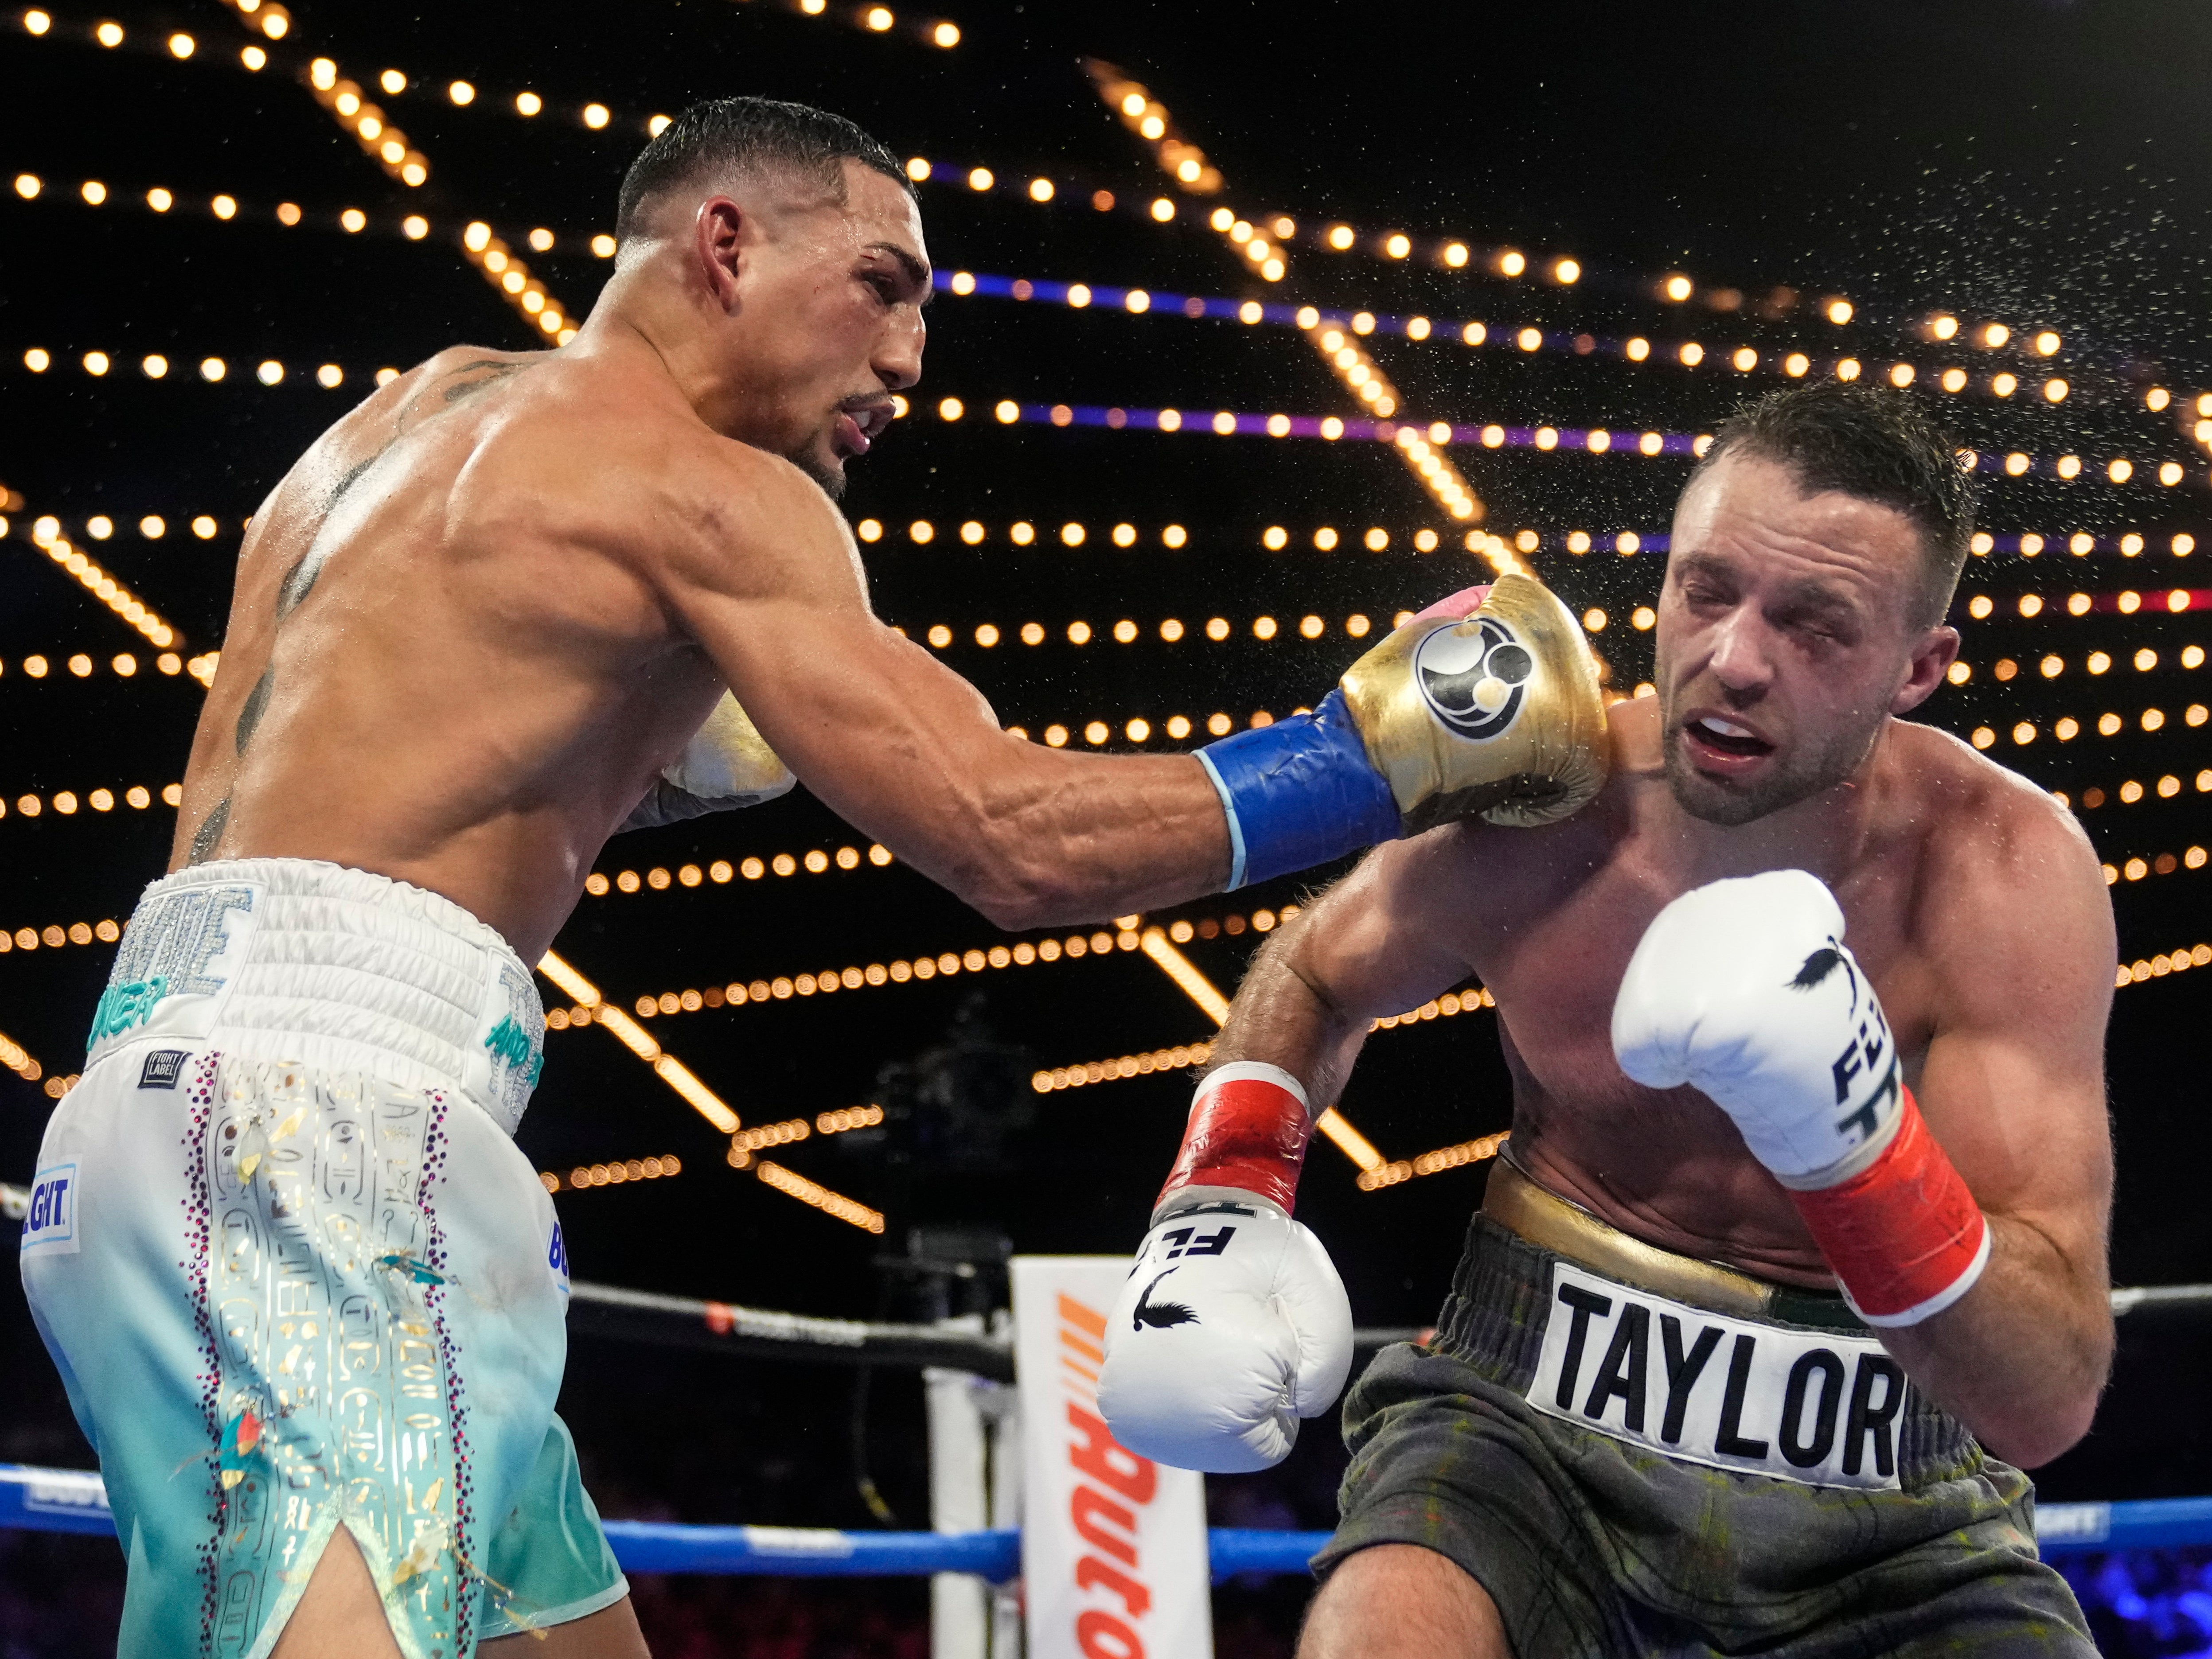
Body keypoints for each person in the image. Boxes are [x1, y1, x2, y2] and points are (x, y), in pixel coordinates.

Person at [17, 96, 1611, 1659]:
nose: (911, 357)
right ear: (724, 243)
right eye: (883, 283)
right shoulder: (713, 496)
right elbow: (1010, 840)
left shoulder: (403, 419)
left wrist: (635, 763)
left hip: (181, 1108)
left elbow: (384, 781)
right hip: (314, 1148)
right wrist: (1377, 752)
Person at [1100, 382, 2116, 1656]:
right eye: (1707, 590)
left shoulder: (2007, 879)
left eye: (1814, 624)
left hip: (1889, 1513)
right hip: (1521, 1435)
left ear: (1919, 668)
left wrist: (1863, 1147)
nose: (1736, 659)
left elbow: (2047, 1393)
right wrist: (1225, 1189)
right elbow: (1313, 972)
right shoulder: (1544, 811)